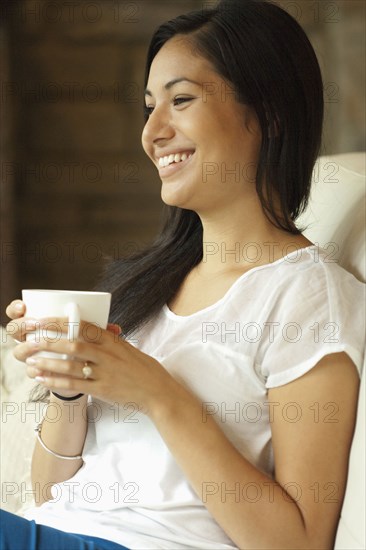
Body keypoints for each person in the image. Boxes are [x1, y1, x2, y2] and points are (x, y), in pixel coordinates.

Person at [1, 0, 365, 548]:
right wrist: (70, 386)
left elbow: (301, 542)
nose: (153, 132)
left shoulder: (308, 297)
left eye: (182, 100)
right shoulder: (147, 286)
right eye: (149, 107)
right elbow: (51, 493)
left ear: (269, 113)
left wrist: (158, 393)